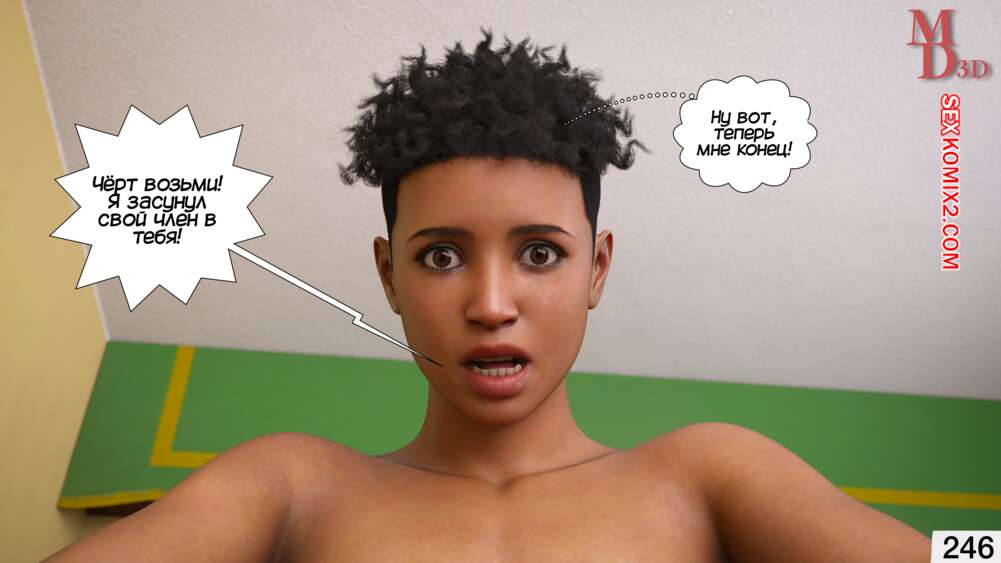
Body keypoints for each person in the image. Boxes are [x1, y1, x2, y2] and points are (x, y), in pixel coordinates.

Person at [47, 28, 931, 562]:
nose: (491, 303)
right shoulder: (290, 482)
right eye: (440, 257)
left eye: (540, 253)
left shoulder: (708, 473)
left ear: (597, 269)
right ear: (387, 276)